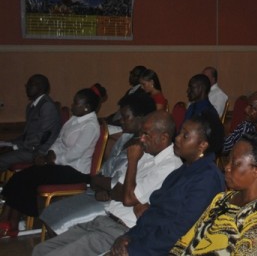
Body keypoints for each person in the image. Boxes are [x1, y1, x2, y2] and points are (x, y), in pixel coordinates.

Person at [31, 111, 182, 255]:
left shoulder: (170, 166)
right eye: (141, 133)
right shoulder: (147, 155)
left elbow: (128, 198)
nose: (141, 139)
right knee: (40, 250)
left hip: (121, 230)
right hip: (104, 219)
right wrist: (127, 193)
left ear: (163, 138)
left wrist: (132, 161)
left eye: (146, 134)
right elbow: (117, 191)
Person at [39, 93, 156, 236]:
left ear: (142, 118)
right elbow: (104, 171)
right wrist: (99, 183)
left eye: (126, 117)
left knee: (61, 223)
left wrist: (103, 185)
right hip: (99, 192)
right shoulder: (125, 138)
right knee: (51, 212)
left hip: (113, 203)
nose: (121, 121)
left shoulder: (147, 148)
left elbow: (129, 185)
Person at [108, 114, 226, 255]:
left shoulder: (207, 180)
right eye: (180, 132)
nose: (177, 138)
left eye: (185, 136)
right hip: (144, 240)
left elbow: (178, 232)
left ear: (202, 145)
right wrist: (128, 236)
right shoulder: (184, 170)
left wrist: (133, 250)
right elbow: (153, 213)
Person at [168, 132, 257, 256]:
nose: (226, 168)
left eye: (235, 163)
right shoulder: (223, 199)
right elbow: (184, 242)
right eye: (228, 161)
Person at [0, 87, 102, 237]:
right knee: (23, 176)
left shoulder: (91, 126)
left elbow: (75, 154)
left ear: (86, 108)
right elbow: (59, 140)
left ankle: (9, 219)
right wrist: (50, 153)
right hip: (60, 165)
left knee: (27, 177)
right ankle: (11, 219)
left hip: (76, 171)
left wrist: (52, 160)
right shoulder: (75, 119)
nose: (72, 106)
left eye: (76, 103)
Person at [0, 74, 61, 174]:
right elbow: (27, 135)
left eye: (29, 85)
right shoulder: (31, 106)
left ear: (39, 87)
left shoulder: (47, 106)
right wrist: (9, 143)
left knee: (1, 160)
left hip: (39, 152)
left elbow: (43, 137)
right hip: (30, 148)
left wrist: (15, 147)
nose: (26, 87)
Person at [184, 74, 224, 154]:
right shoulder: (192, 107)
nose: (188, 91)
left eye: (191, 87)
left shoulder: (209, 113)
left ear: (201, 88)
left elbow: (215, 143)